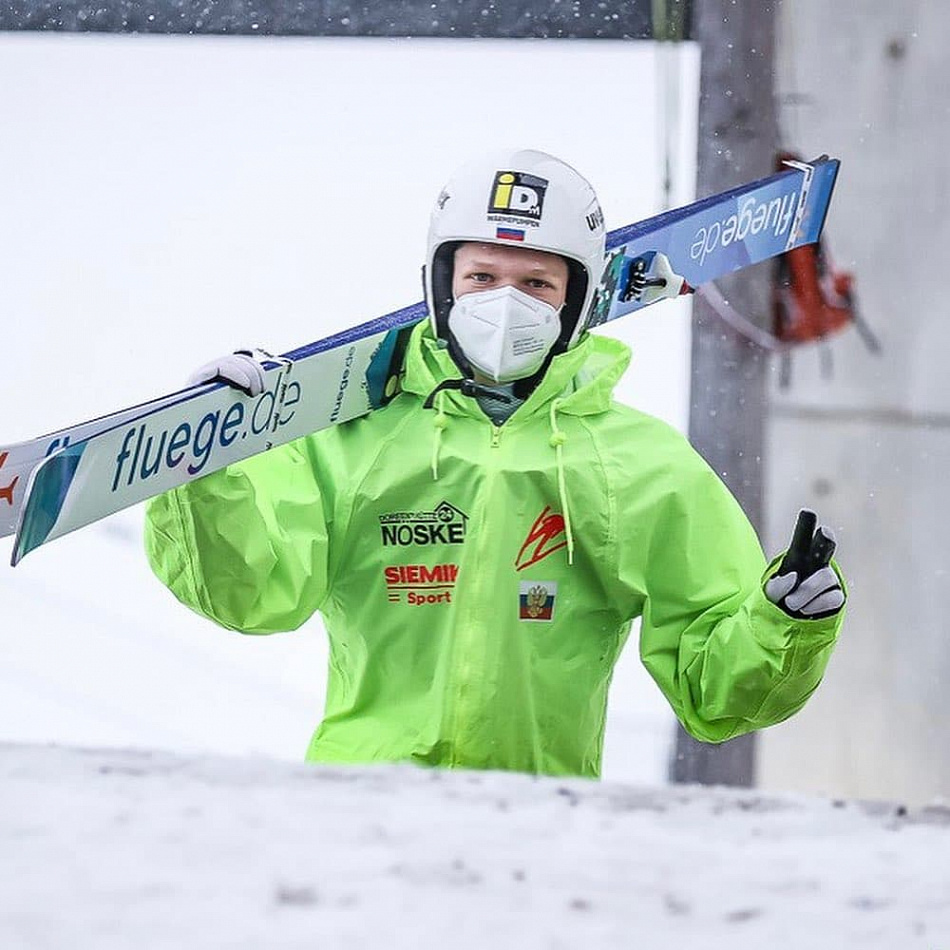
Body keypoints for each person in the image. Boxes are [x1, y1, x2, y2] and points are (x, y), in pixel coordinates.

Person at [145, 149, 846, 778]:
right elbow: (250, 594)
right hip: (353, 810)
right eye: (482, 276)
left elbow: (712, 692)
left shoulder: (644, 467)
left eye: (537, 284)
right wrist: (203, 472)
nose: (505, 304)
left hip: (536, 825)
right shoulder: (347, 440)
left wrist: (781, 623)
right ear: (441, 285)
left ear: (579, 299)